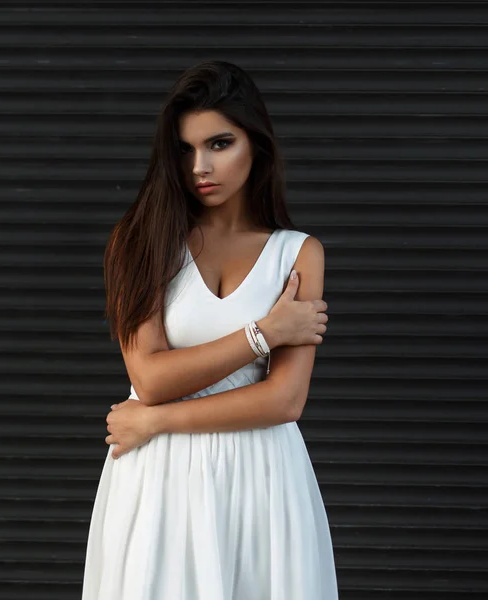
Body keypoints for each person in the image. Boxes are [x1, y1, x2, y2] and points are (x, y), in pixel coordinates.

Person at [81, 60, 338, 599]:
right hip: (159, 480)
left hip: (263, 475)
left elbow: (285, 401)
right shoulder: (140, 241)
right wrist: (264, 332)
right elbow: (149, 378)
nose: (200, 166)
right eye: (184, 148)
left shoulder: (297, 254)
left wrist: (155, 424)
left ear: (256, 145)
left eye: (220, 144)